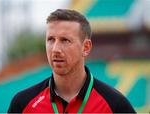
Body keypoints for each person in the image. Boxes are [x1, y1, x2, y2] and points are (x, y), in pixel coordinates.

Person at [8, 9, 136, 113]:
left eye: (65, 40)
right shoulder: (22, 104)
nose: (55, 49)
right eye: (51, 40)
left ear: (86, 47)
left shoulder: (116, 105)